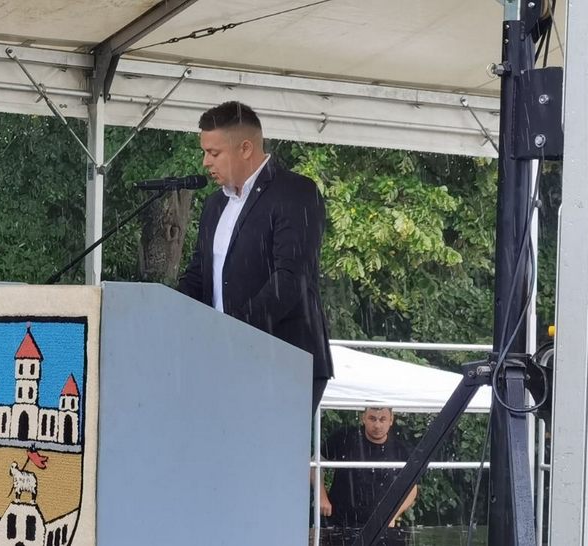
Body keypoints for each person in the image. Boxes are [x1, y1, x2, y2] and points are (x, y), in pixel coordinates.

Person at [176, 101, 333, 414]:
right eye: (204, 152)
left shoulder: (295, 193)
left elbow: (290, 279)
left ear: (245, 148)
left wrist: (233, 331)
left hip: (283, 359)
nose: (205, 162)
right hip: (224, 360)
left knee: (269, 446)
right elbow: (198, 275)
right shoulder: (215, 205)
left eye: (214, 152)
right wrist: (169, 311)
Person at [319, 407, 416, 544]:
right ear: (363, 417)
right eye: (372, 419)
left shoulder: (400, 449)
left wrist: (393, 515)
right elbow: (314, 465)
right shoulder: (344, 437)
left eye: (382, 419)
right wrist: (322, 497)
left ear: (391, 420)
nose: (377, 425)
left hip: (379, 526)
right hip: (339, 523)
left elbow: (412, 488)